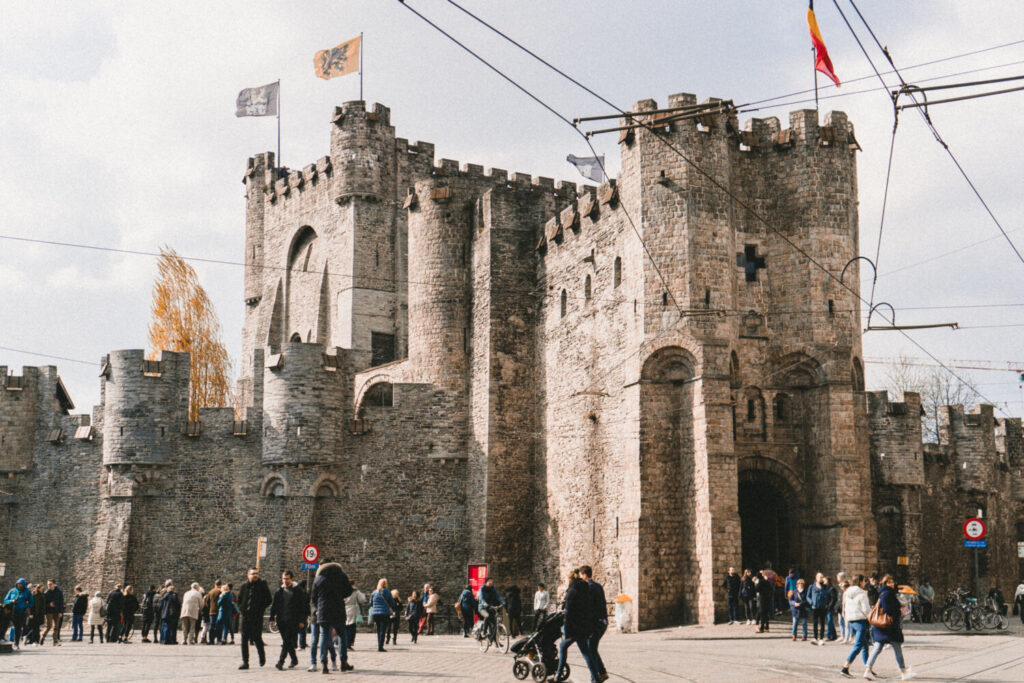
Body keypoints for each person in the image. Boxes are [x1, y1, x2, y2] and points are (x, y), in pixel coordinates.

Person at [863, 574, 915, 681]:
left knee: (878, 647)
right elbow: (887, 610)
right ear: (885, 583)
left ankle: (868, 670)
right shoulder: (887, 594)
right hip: (888, 627)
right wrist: (899, 611)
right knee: (896, 648)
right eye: (889, 582)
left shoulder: (885, 592)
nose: (892, 584)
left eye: (892, 582)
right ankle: (903, 672)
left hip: (883, 627)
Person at [556, 568, 601, 683]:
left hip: (575, 630)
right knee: (586, 654)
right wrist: (590, 629)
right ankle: (596, 678)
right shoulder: (585, 590)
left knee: (563, 647)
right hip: (584, 628)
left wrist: (568, 632)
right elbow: (589, 611)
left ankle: (558, 675)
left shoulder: (572, 591)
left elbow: (568, 614)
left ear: (570, 579)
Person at [310, 559, 353, 672]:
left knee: (324, 636)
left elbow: (313, 597)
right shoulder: (341, 575)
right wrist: (339, 594)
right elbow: (349, 591)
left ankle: (324, 663)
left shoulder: (318, 578)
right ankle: (343, 662)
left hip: (324, 610)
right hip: (338, 609)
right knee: (342, 636)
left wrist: (318, 607)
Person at [269, 569, 307, 670]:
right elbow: (274, 606)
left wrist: (302, 620)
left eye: (287, 579)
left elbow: (303, 607)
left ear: (292, 579)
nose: (285, 581)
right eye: (283, 579)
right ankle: (294, 659)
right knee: (288, 641)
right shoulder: (279, 591)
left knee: (286, 641)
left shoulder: (298, 591)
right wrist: (272, 618)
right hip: (281, 620)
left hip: (293, 620)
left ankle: (281, 661)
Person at [236, 567, 272, 669]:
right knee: (244, 640)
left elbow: (268, 599)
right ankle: (245, 662)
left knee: (257, 638)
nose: (255, 575)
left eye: (256, 573)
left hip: (257, 617)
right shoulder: (244, 586)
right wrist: (242, 609)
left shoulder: (262, 586)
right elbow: (239, 600)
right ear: (248, 575)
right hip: (246, 617)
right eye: (253, 574)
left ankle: (262, 656)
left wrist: (260, 609)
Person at [581, 566, 609, 683]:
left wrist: (589, 627)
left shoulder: (589, 587)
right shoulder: (598, 586)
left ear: (585, 575)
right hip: (603, 621)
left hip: (595, 623)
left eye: (582, 576)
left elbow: (590, 608)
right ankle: (601, 673)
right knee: (592, 648)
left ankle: (595, 677)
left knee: (590, 649)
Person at [839, 574, 871, 678]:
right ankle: (845, 667)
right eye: (864, 581)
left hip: (851, 621)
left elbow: (846, 606)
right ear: (860, 582)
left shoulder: (847, 592)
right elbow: (866, 610)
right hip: (861, 621)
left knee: (864, 645)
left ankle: (868, 668)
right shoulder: (862, 593)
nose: (865, 583)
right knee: (857, 646)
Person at [3, 578, 34, 648]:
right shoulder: (12, 591)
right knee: (5, 624)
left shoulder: (27, 592)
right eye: (18, 584)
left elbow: (31, 602)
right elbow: (5, 600)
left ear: (23, 585)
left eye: (21, 584)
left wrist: (25, 606)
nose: (19, 586)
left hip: (21, 612)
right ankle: (2, 638)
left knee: (18, 628)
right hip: (11, 612)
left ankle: (16, 643)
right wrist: (12, 601)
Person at [369, 578, 397, 652]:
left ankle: (379, 644)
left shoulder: (374, 592)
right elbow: (392, 602)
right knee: (383, 630)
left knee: (378, 629)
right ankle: (380, 646)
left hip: (375, 613)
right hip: (384, 613)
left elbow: (371, 603)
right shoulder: (387, 592)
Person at [807, 573, 829, 645]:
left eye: (822, 577)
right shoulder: (812, 586)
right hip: (815, 607)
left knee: (822, 623)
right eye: (820, 577)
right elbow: (808, 596)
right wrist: (811, 602)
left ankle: (821, 638)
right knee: (815, 623)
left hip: (822, 607)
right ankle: (815, 637)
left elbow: (826, 594)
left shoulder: (825, 586)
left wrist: (821, 588)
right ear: (816, 578)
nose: (821, 578)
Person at [344, 581, 366, 651]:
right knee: (351, 627)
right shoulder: (355, 591)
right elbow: (362, 600)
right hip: (352, 609)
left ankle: (344, 643)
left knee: (345, 627)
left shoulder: (342, 589)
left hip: (344, 609)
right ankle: (349, 643)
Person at [42, 579, 64, 645]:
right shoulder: (46, 593)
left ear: (54, 584)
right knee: (49, 626)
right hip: (49, 611)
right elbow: (43, 603)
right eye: (48, 584)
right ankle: (42, 637)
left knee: (56, 627)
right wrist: (49, 604)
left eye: (50, 584)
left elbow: (61, 602)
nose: (49, 585)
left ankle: (55, 641)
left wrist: (61, 612)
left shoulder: (59, 592)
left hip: (57, 611)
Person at [201, 580, 222, 644]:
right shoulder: (221, 591)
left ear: (215, 584)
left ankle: (211, 640)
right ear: (220, 584)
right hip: (219, 611)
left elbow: (207, 603)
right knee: (219, 626)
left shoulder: (211, 592)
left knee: (212, 626)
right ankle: (219, 639)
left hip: (211, 611)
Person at [824, 576, 839, 641]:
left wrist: (829, 606)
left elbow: (833, 599)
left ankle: (828, 635)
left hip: (829, 608)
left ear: (827, 580)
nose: (823, 581)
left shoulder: (831, 588)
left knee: (829, 621)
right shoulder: (825, 588)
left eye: (824, 580)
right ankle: (834, 635)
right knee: (829, 622)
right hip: (826, 607)